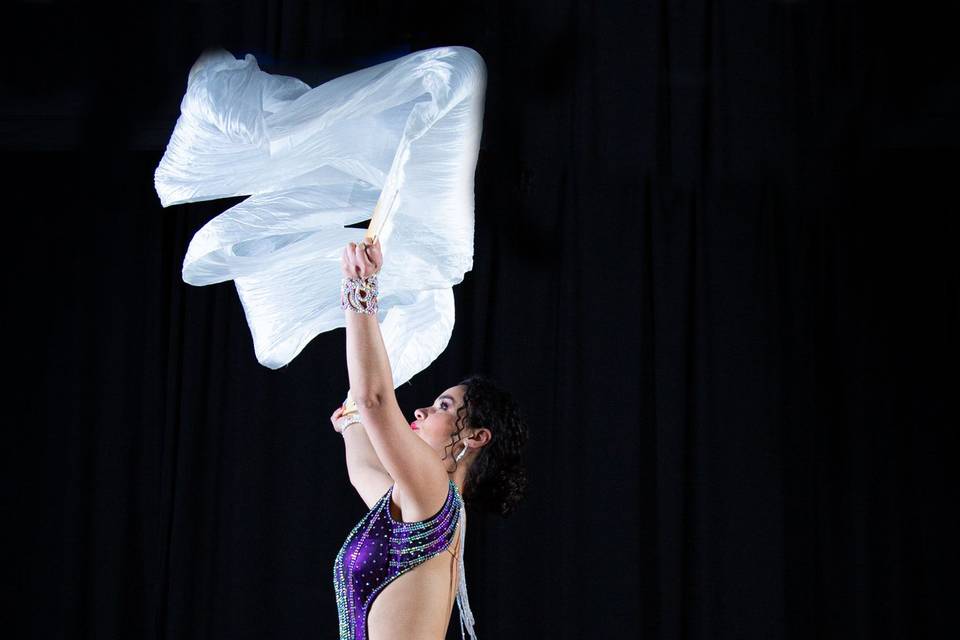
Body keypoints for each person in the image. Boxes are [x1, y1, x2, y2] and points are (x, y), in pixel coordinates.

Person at [330, 239, 529, 640]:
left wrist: (361, 290)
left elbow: (376, 399)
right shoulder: (425, 504)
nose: (420, 411)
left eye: (442, 406)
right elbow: (364, 470)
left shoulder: (434, 494)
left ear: (475, 437)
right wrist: (350, 422)